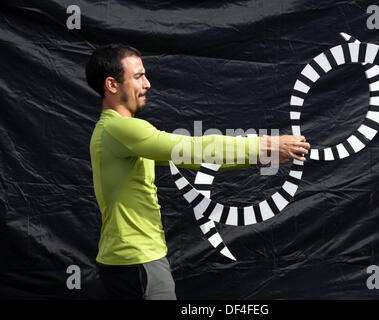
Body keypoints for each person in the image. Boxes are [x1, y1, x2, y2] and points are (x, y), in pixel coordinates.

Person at [85, 44, 310, 300]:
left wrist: (262, 155)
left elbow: (197, 159)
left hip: (131, 259)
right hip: (137, 260)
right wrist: (266, 144)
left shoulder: (116, 132)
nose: (147, 84)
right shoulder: (120, 130)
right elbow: (192, 149)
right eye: (138, 76)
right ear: (112, 85)